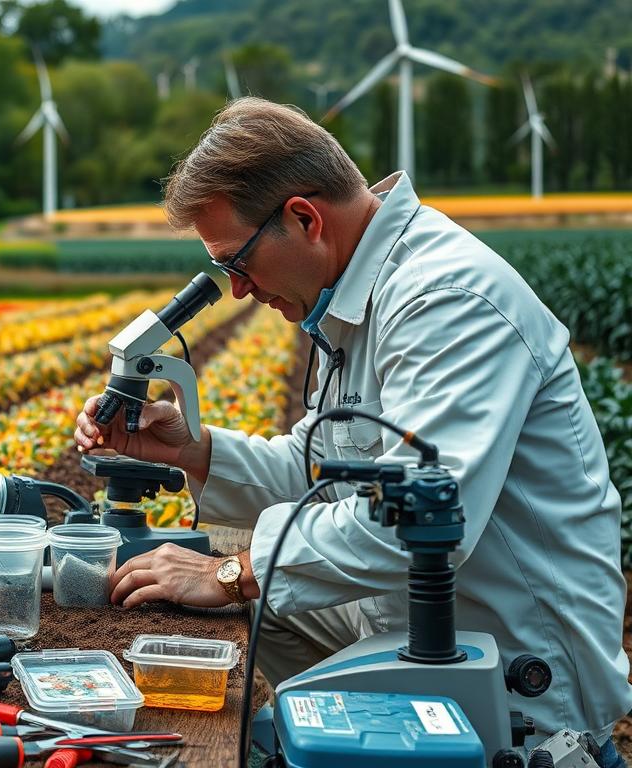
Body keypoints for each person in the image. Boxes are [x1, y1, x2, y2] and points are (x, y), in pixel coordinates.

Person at [73, 97, 631, 764]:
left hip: (510, 672)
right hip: (408, 616)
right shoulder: (356, 295)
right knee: (223, 583)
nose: (241, 290)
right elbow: (322, 476)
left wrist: (229, 574)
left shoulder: (446, 301)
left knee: (230, 576)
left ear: (304, 218)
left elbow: (419, 517)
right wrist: (193, 450)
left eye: (237, 263)